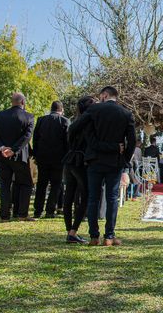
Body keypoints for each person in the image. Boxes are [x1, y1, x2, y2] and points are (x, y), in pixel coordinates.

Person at [69, 86, 135, 246]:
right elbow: (132, 142)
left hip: (95, 160)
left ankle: (94, 236)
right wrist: (124, 158)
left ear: (105, 95)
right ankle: (109, 236)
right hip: (115, 161)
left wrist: (86, 138)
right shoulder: (126, 113)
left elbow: (73, 128)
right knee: (112, 198)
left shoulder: (94, 110)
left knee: (93, 198)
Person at [0, 92, 36, 221]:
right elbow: (27, 137)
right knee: (25, 183)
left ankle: (4, 215)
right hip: (20, 155)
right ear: (23, 102)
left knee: (5, 183)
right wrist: (14, 150)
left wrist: (2, 147)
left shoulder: (0, 115)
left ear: (12, 102)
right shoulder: (29, 117)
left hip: (2, 154)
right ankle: (22, 213)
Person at [63, 96, 97, 244]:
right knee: (86, 196)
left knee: (68, 196)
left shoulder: (74, 123)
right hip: (80, 161)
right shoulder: (88, 123)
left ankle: (69, 230)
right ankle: (73, 231)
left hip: (69, 160)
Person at [32, 101, 70, 219]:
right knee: (56, 184)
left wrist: (36, 154)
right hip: (58, 158)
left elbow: (36, 138)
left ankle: (38, 210)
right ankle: (50, 210)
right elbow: (67, 142)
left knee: (41, 184)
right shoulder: (65, 121)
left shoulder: (41, 120)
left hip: (43, 157)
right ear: (61, 109)